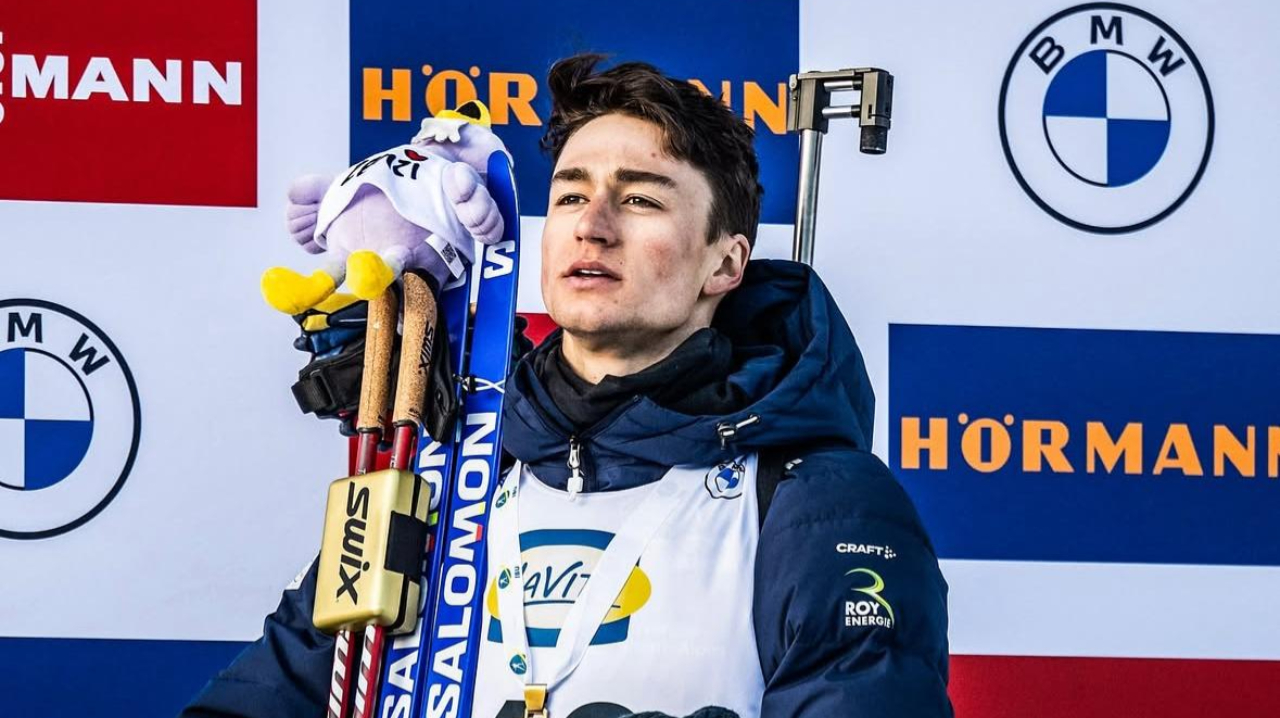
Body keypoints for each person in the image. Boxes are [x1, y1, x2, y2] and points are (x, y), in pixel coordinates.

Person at [182, 54, 952, 718]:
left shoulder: (818, 496)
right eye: (571, 195)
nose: (594, 224)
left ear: (725, 263)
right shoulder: (440, 475)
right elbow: (266, 692)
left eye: (643, 198)